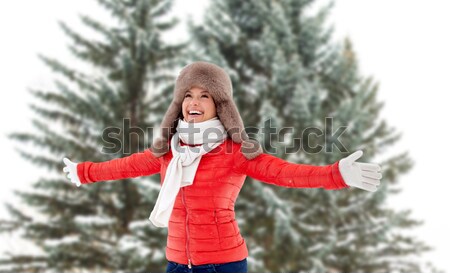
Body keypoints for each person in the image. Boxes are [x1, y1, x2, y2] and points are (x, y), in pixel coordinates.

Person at [63, 61, 382, 273]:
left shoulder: (235, 152)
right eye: (187, 95)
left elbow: (285, 173)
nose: (194, 103)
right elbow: (124, 166)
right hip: (176, 263)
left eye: (204, 95)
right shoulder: (169, 152)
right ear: (178, 104)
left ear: (220, 104)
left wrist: (336, 174)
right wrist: (83, 172)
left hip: (222, 264)